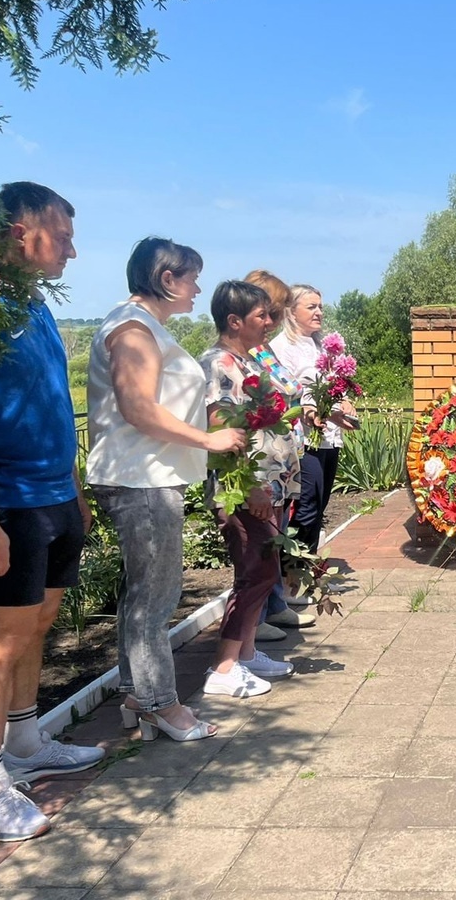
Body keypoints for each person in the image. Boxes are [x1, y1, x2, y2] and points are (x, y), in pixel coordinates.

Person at [0, 182, 105, 841]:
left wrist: (73, 490)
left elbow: (48, 403)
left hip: (52, 497)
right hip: (7, 502)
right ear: (19, 232)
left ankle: (28, 744)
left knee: (37, 624)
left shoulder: (36, 305)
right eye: (62, 235)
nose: (73, 248)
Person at [86, 238, 246, 743]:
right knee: (156, 601)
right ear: (166, 279)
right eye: (191, 277)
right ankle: (161, 705)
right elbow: (137, 407)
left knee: (145, 597)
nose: (198, 288)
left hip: (150, 476)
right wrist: (207, 437)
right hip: (142, 479)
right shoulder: (133, 330)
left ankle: (138, 693)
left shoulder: (144, 326)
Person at [198, 281, 301, 697]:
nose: (271, 322)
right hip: (241, 488)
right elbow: (221, 430)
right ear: (234, 321)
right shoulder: (220, 363)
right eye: (263, 316)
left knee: (263, 568)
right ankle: (223, 668)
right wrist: (252, 487)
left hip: (266, 484)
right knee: (254, 571)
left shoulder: (247, 360)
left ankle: (246, 652)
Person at [242, 270, 314, 637]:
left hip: (281, 461)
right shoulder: (245, 354)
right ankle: (254, 621)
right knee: (262, 544)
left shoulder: (265, 350)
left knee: (276, 536)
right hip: (262, 462)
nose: (275, 319)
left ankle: (274, 605)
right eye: (272, 310)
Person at [271, 284, 358, 557]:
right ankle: (291, 573)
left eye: (320, 306)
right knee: (305, 503)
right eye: (311, 307)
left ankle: (306, 567)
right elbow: (285, 394)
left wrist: (345, 400)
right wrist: (314, 408)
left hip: (329, 435)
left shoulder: (322, 346)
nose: (319, 312)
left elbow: (335, 385)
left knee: (320, 502)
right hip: (302, 438)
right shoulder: (281, 347)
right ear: (291, 311)